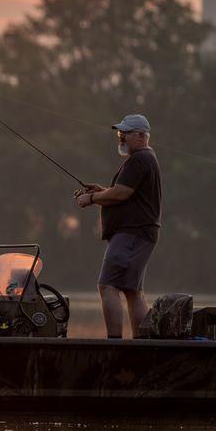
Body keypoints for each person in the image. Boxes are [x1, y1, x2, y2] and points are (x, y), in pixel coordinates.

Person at [75, 114, 162, 339]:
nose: (121, 137)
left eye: (126, 133)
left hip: (132, 233)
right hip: (142, 232)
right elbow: (127, 194)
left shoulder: (140, 159)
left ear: (142, 136)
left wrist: (92, 199)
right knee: (132, 291)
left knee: (108, 286)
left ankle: (114, 343)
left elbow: (122, 193)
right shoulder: (144, 159)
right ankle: (143, 343)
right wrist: (102, 191)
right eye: (119, 133)